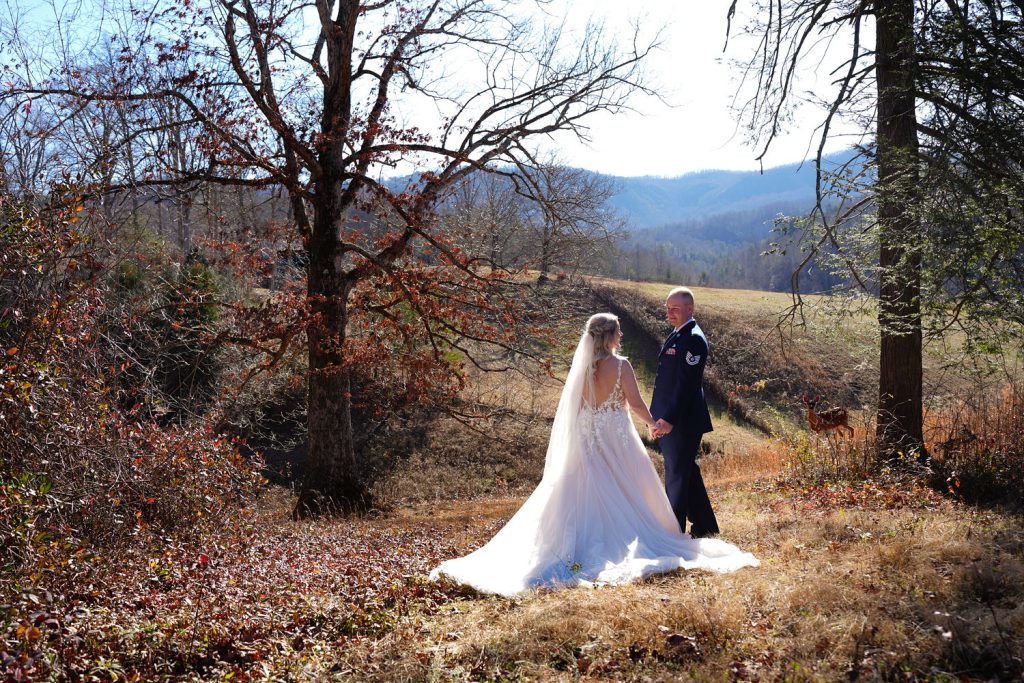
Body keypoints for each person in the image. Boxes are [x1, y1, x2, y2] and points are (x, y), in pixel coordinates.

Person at [429, 313, 757, 596]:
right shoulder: (621, 366)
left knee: (581, 486)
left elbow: (575, 409)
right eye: (618, 330)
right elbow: (635, 403)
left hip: (587, 435)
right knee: (627, 485)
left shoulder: (582, 368)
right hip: (617, 436)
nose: (622, 335)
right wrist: (654, 424)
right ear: (610, 335)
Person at [650, 287, 720, 538]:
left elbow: (686, 384)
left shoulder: (694, 338)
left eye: (675, 308)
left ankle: (673, 530)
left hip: (682, 421)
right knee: (686, 472)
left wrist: (669, 419)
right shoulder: (679, 334)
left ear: (690, 309)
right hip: (672, 418)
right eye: (668, 308)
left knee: (677, 476)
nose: (670, 313)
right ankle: (706, 526)